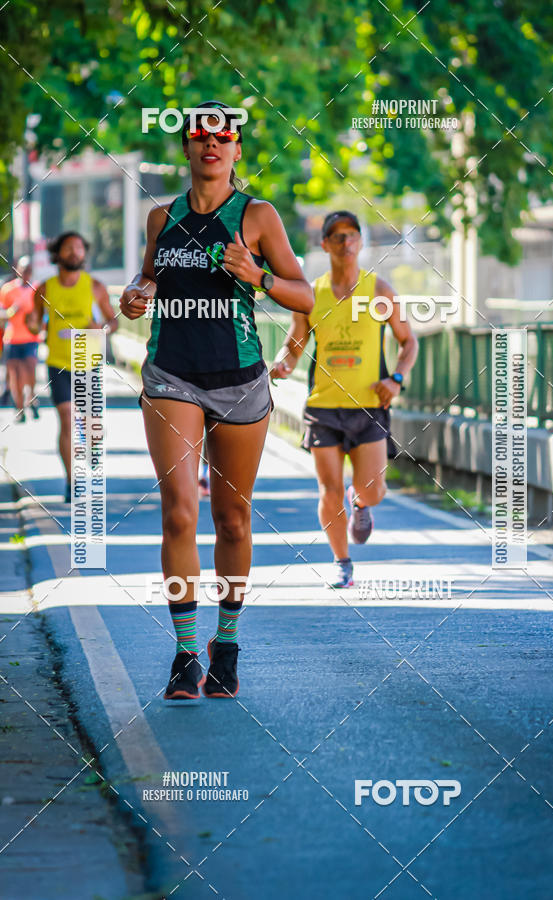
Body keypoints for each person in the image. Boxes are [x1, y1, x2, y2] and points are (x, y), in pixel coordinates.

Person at [119, 100, 313, 702]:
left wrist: (258, 277)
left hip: (240, 379)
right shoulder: (162, 217)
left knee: (232, 516)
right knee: (179, 510)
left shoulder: (256, 216)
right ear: (185, 149)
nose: (211, 146)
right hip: (171, 374)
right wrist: (136, 291)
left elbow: (303, 296)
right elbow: (149, 277)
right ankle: (182, 655)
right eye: (200, 138)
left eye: (222, 139)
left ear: (234, 150)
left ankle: (225, 645)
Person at [270, 210, 418, 588]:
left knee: (374, 489)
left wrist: (397, 379)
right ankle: (342, 562)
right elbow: (294, 343)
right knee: (328, 488)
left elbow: (408, 342)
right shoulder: (312, 294)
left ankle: (362, 502)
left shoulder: (379, 291)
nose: (346, 243)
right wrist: (283, 363)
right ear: (325, 245)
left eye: (352, 235)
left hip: (369, 406)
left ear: (361, 242)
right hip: (323, 406)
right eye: (337, 237)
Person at [26, 232, 118, 502]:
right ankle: (72, 481)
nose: (75, 253)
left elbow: (113, 322)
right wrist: (32, 325)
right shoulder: (45, 288)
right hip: (58, 362)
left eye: (79, 248)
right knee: (66, 418)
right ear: (58, 254)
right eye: (69, 248)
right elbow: (36, 322)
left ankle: (93, 447)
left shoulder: (95, 286)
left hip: (88, 362)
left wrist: (101, 328)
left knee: (91, 425)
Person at [0, 256, 40, 422]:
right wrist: (12, 311)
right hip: (12, 339)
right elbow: (2, 314)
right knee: (15, 375)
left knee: (30, 370)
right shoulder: (7, 289)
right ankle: (19, 409)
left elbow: (43, 315)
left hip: (31, 338)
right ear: (18, 271)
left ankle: (31, 397)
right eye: (24, 271)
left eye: (29, 271)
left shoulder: (37, 290)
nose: (26, 274)